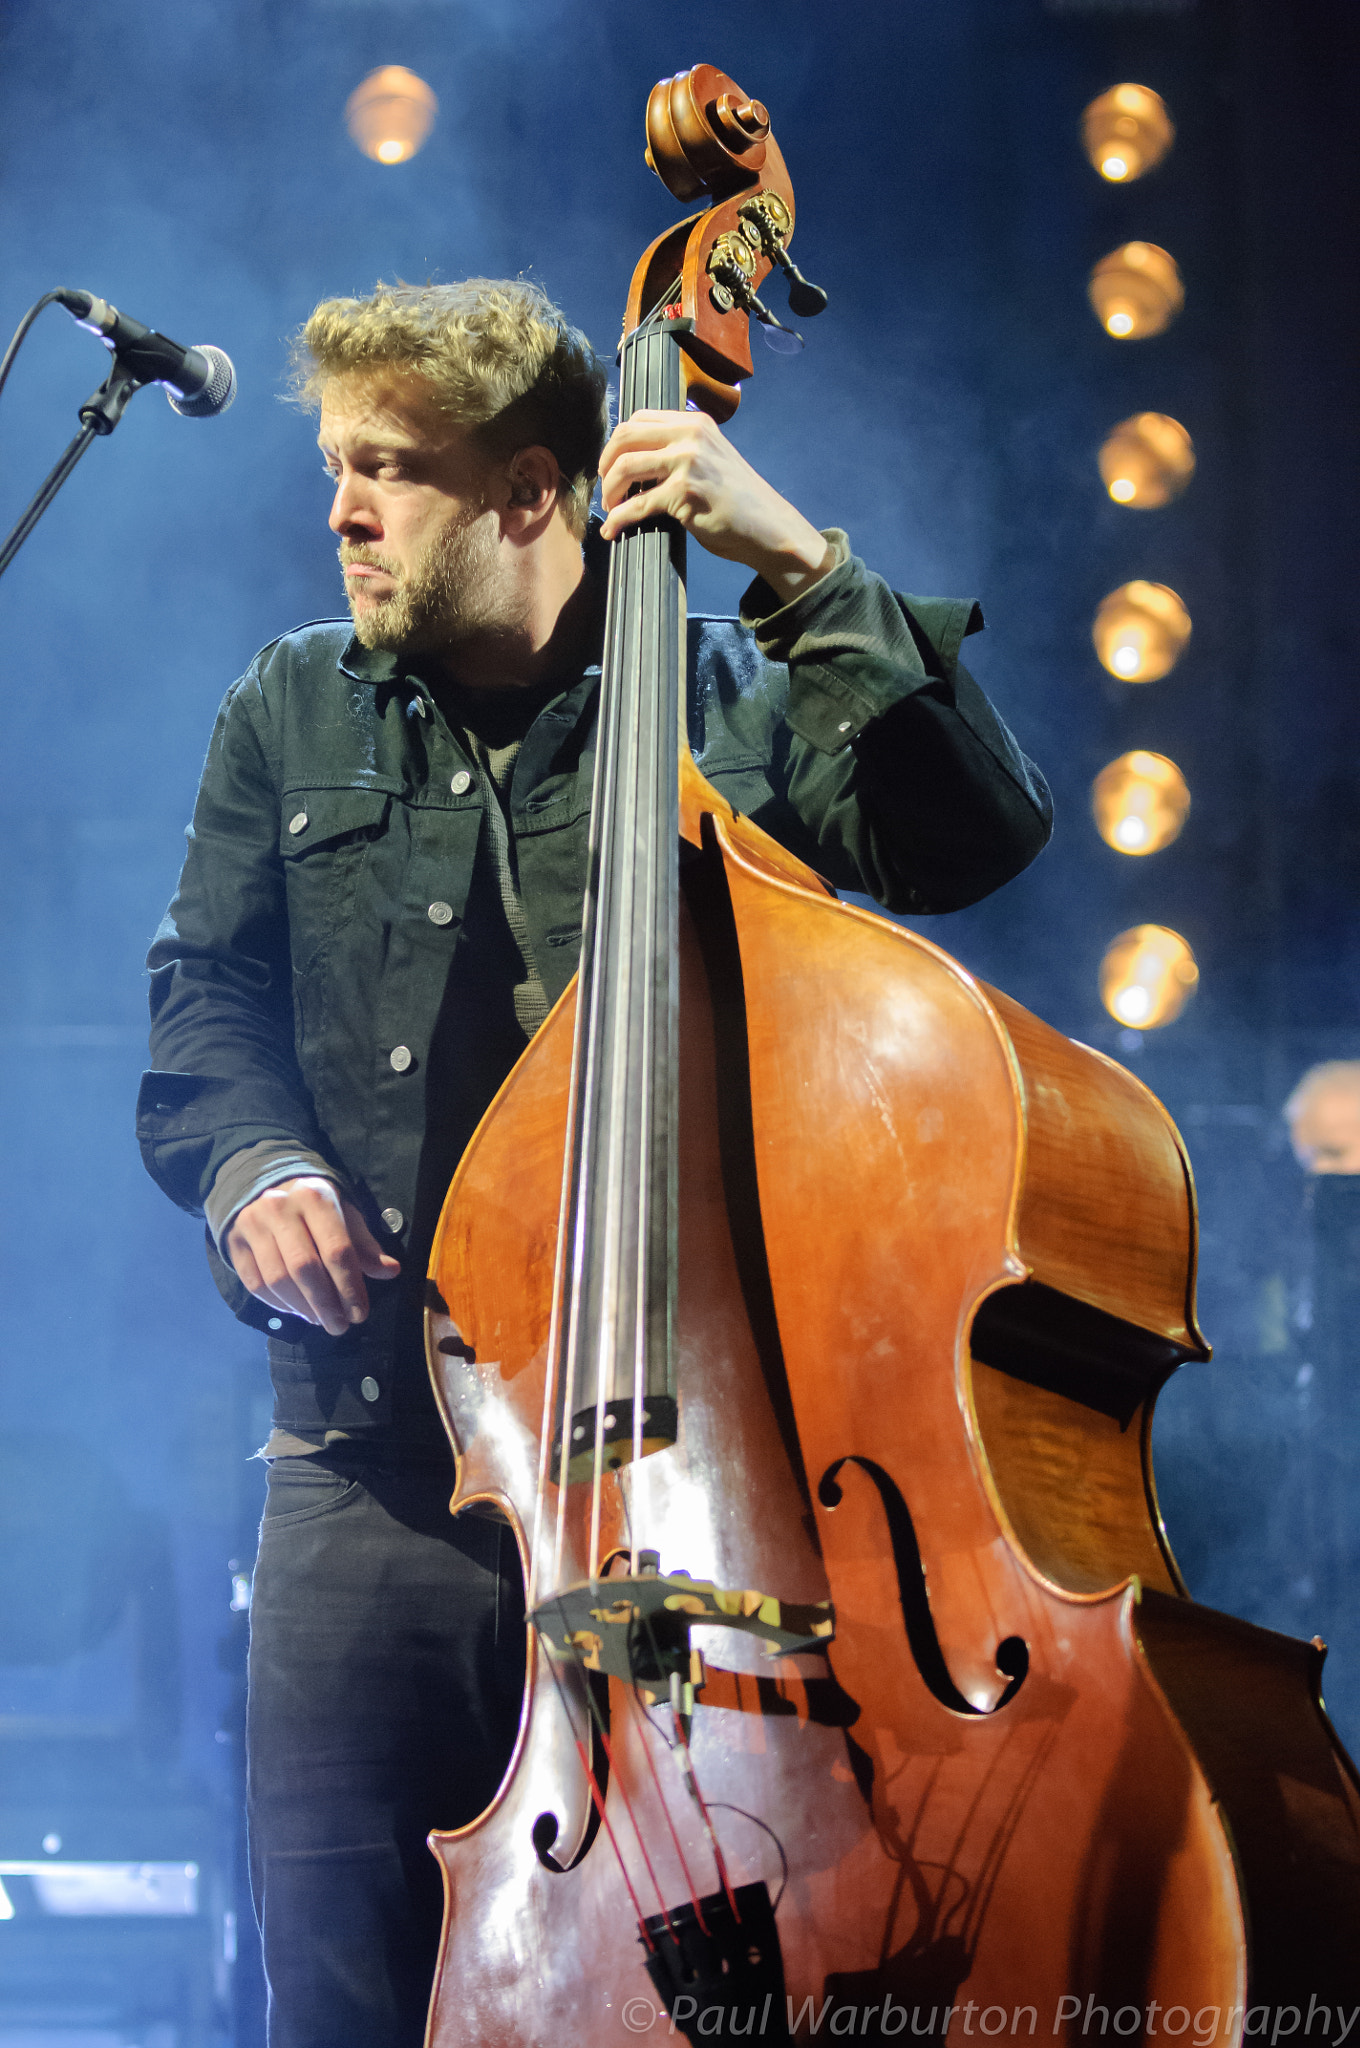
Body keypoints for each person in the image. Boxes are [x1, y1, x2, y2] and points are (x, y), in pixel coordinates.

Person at [137, 278, 1052, 2047]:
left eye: (389, 470)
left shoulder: (728, 704)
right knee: (339, 1986)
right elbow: (204, 1003)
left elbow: (976, 838)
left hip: (708, 1488)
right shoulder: (289, 709)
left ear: (532, 492)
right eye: (336, 466)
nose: (341, 510)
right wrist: (255, 1165)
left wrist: (797, 558)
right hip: (376, 1470)